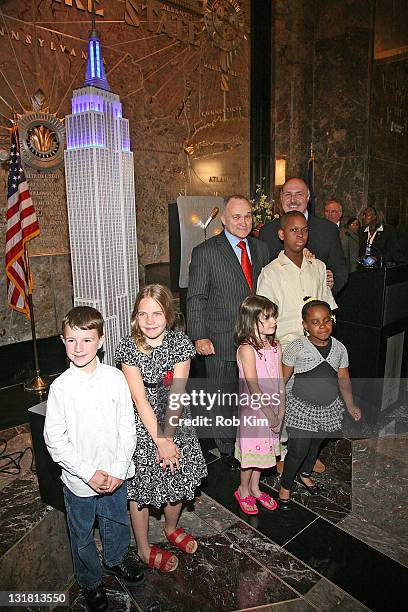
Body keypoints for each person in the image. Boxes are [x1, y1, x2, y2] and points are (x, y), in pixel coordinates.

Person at [44, 307, 143, 612]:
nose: (79, 348)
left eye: (86, 340)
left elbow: (128, 428)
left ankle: (115, 558)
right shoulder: (61, 388)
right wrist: (88, 473)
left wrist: (116, 470)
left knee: (116, 520)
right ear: (63, 341)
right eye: (72, 341)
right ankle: (90, 580)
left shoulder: (115, 379)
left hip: (115, 474)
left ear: (101, 340)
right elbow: (55, 440)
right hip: (80, 481)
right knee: (82, 533)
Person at [115, 284, 207, 573]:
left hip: (175, 416)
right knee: (141, 487)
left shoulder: (180, 343)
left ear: (168, 314)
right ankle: (143, 548)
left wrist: (169, 437)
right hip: (142, 421)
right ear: (135, 317)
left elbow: (178, 392)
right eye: (143, 314)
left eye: (156, 313)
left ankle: (170, 528)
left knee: (177, 475)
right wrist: (160, 441)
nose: (150, 320)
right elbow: (139, 397)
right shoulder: (128, 346)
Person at [187, 195, 270, 468]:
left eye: (247, 216)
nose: (243, 222)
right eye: (236, 216)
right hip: (219, 338)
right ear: (223, 219)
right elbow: (196, 297)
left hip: (255, 338)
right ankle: (226, 450)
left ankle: (249, 443)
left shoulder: (261, 249)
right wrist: (199, 335)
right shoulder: (206, 252)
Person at [277, 298, 361, 509]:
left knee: (316, 444)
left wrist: (350, 405)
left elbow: (344, 379)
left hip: (328, 408)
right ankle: (285, 485)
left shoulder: (340, 349)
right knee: (297, 449)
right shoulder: (297, 347)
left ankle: (305, 474)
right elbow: (282, 380)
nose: (322, 326)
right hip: (300, 408)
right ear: (305, 325)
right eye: (315, 322)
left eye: (326, 320)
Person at [233, 295, 285, 515]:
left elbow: (281, 379)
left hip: (272, 407)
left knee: (263, 453)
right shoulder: (247, 349)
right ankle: (243, 489)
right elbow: (254, 388)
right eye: (267, 317)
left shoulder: (275, 345)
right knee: (251, 456)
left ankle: (255, 487)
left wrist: (281, 407)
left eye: (274, 316)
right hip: (256, 410)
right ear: (252, 320)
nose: (273, 321)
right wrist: (270, 415)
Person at [257, 211, 337, 349]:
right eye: (293, 230)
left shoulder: (318, 267)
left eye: (304, 230)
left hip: (317, 346)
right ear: (282, 234)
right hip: (285, 347)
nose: (300, 234)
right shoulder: (270, 272)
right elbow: (263, 318)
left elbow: (328, 308)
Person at [259, 179, 348, 295]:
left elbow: (340, 271)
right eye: (288, 194)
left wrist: (330, 285)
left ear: (308, 197)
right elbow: (261, 273)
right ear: (281, 197)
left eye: (299, 194)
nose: (293, 200)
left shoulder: (328, 230)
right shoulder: (267, 231)